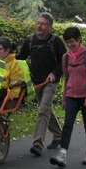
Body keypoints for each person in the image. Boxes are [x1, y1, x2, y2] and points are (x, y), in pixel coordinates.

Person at [16, 12, 66, 156]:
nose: (39, 26)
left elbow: (64, 62)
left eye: (43, 24)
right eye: (38, 23)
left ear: (50, 26)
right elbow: (20, 58)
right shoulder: (30, 40)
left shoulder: (56, 41)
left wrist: (54, 74)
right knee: (46, 110)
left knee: (43, 110)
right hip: (35, 82)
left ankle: (37, 144)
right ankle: (59, 135)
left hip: (50, 82)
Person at [50, 27, 86, 168]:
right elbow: (67, 78)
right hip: (72, 95)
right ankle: (62, 154)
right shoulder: (66, 57)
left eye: (72, 41)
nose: (70, 45)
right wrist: (64, 97)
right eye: (67, 43)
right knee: (67, 124)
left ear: (79, 39)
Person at [0, 36, 25, 114]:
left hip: (6, 90)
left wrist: (12, 94)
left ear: (7, 50)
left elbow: (17, 81)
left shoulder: (14, 64)